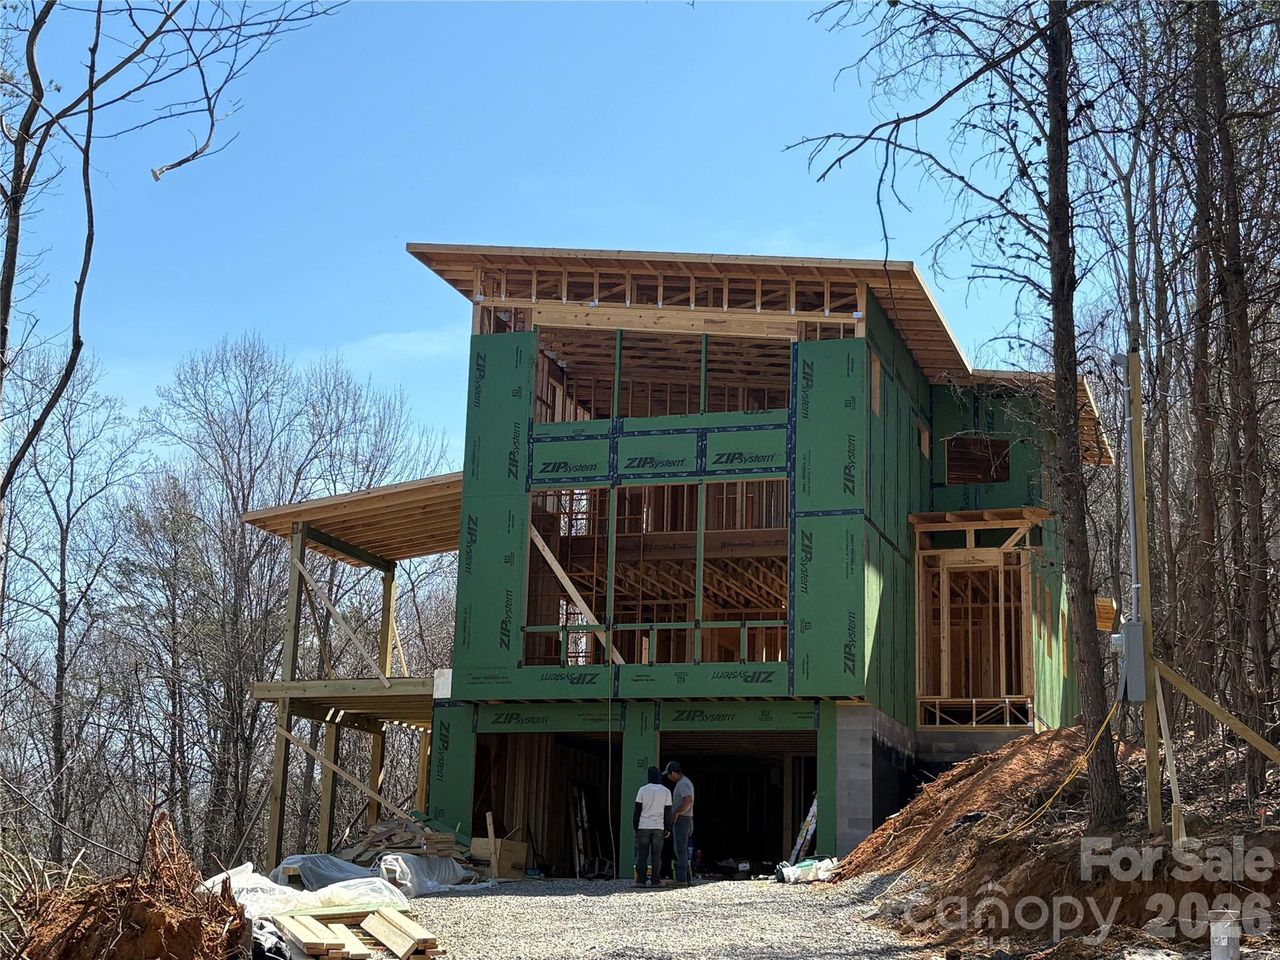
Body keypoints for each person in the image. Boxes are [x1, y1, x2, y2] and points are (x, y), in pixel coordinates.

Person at [632, 765, 671, 887]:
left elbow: (637, 810)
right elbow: (668, 811)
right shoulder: (666, 791)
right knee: (656, 855)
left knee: (642, 855)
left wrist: (635, 827)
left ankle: (641, 880)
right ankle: (655, 880)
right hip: (658, 827)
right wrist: (668, 828)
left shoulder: (643, 790)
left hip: (643, 826)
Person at [664, 760, 695, 885]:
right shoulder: (685, 782)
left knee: (680, 850)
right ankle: (687, 878)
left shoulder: (682, 784)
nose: (669, 777)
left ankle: (682, 879)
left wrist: (676, 813)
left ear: (674, 773)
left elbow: (688, 801)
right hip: (686, 819)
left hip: (682, 820)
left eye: (669, 774)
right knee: (683, 850)